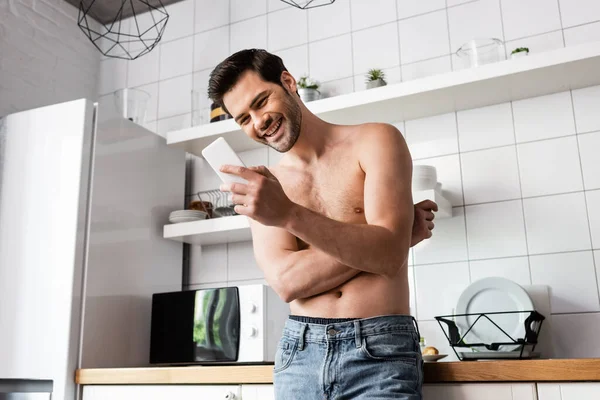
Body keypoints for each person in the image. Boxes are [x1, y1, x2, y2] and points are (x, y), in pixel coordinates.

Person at [208, 49, 437, 400]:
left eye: (261, 101)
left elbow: (388, 255)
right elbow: (286, 282)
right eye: (243, 118)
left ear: (288, 82)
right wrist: (386, 241)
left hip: (380, 350)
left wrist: (288, 215)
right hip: (299, 354)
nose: (258, 122)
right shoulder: (265, 186)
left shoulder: (376, 141)